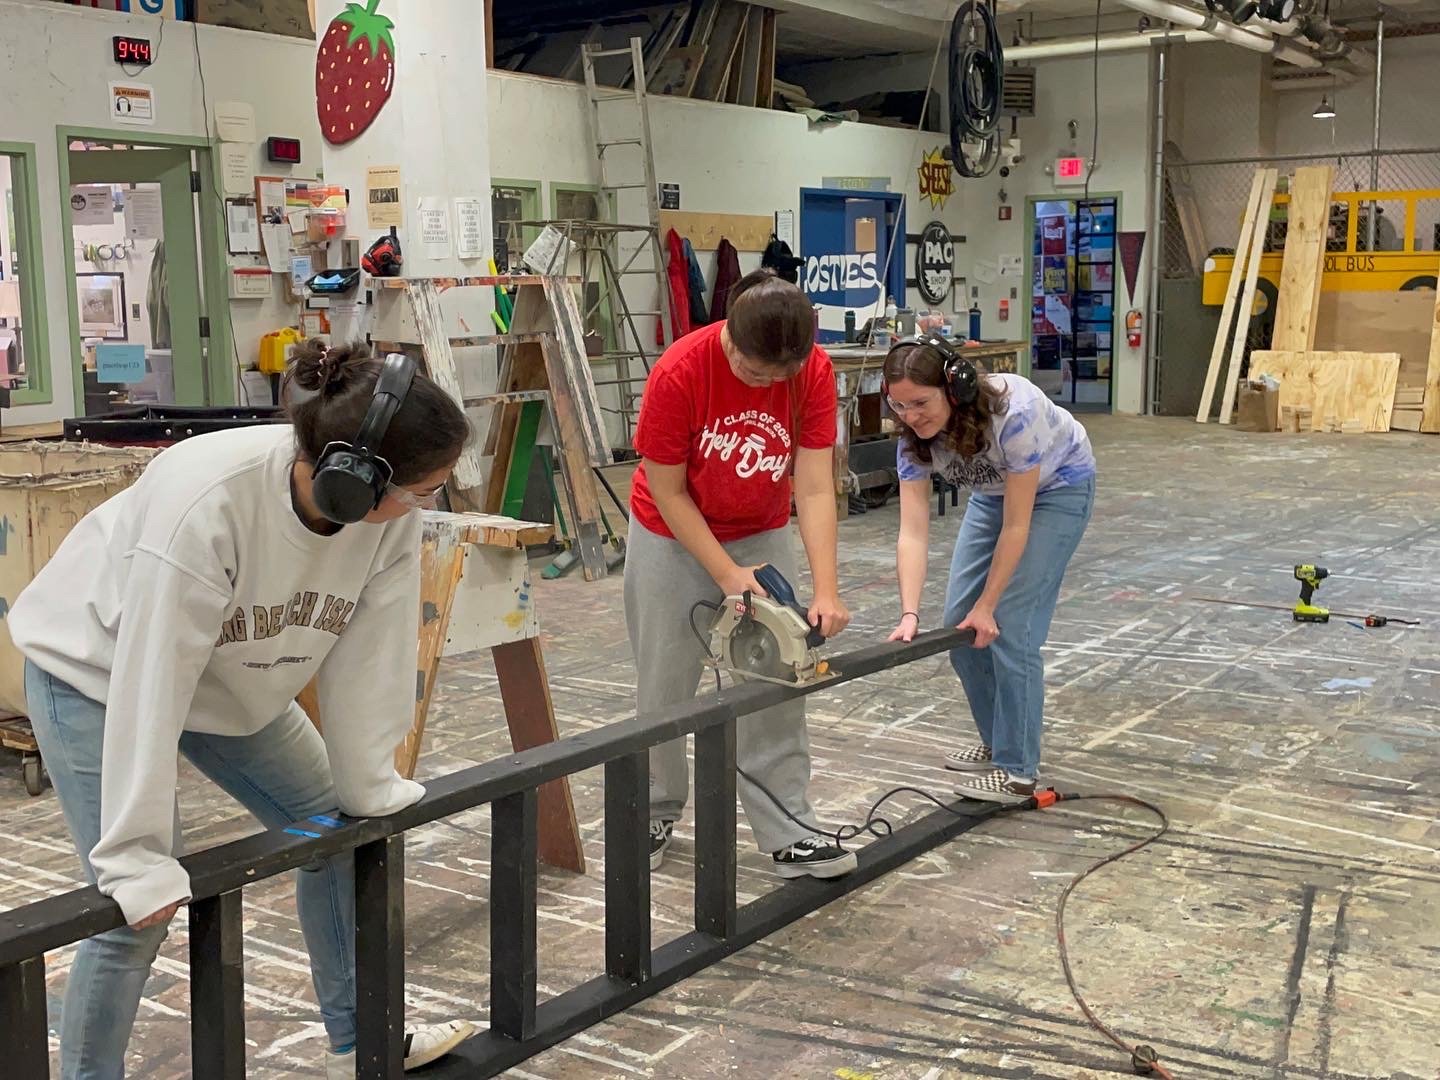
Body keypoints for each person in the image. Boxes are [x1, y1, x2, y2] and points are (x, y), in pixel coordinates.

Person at [11, 342, 477, 1079]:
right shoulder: (208, 500)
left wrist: (369, 786)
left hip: (226, 674)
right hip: (98, 673)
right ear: (355, 480)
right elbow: (152, 676)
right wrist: (136, 853)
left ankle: (363, 1039)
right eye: (421, 489)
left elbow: (376, 653)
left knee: (335, 831)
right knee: (138, 906)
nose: (426, 504)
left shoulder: (388, 519)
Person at [626, 269, 857, 879]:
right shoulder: (680, 371)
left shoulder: (813, 371)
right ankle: (653, 805)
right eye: (755, 372)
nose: (767, 384)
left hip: (759, 526)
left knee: (776, 677)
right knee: (666, 680)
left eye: (780, 375)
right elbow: (667, 490)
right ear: (727, 334)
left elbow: (812, 485)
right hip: (671, 533)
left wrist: (826, 588)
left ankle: (789, 829)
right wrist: (726, 573)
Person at [882, 338, 1095, 804]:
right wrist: (910, 612)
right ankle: (999, 741)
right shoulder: (911, 441)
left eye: (921, 403)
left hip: (1058, 489)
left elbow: (1017, 526)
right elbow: (913, 533)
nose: (911, 416)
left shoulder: (1012, 414)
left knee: (1009, 627)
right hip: (994, 493)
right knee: (960, 625)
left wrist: (989, 603)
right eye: (900, 406)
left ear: (953, 387)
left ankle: (1018, 771)